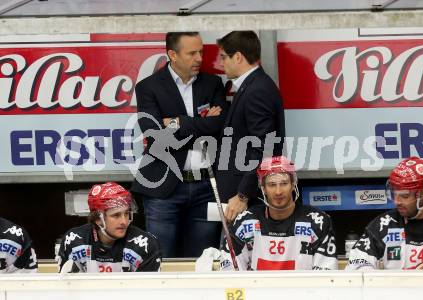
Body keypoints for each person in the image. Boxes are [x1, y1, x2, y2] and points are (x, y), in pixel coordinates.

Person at [131, 31, 228, 258]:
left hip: (206, 186)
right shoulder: (148, 87)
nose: (199, 58)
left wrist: (177, 122)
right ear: (172, 54)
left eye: (201, 52)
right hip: (163, 188)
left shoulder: (213, 84)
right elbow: (155, 135)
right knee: (160, 259)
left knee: (203, 260)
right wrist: (201, 123)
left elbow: (220, 126)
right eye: (192, 53)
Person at [207, 156, 337, 271]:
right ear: (263, 188)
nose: (278, 191)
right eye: (272, 184)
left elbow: (326, 276)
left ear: (293, 184)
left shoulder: (318, 222)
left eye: (284, 183)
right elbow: (230, 276)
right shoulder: (244, 222)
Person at [215, 31, 285, 223]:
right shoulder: (252, 86)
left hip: (247, 201)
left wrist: (243, 195)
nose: (221, 63)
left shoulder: (257, 90)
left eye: (223, 57)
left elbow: (263, 149)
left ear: (237, 56)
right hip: (239, 199)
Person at [347, 157, 423, 270]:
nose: (397, 201)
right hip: (395, 287)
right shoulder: (383, 224)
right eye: (394, 194)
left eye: (404, 196)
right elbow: (355, 266)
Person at [57, 182, 161, 273]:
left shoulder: (146, 245)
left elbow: (147, 292)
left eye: (126, 214)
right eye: (116, 215)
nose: (124, 222)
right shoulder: (73, 240)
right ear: (98, 218)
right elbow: (69, 289)